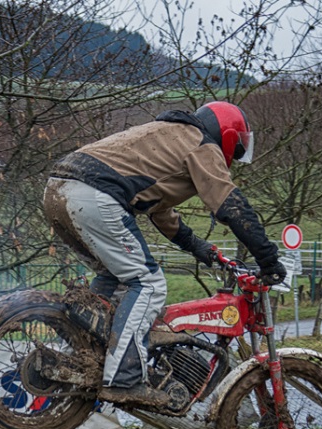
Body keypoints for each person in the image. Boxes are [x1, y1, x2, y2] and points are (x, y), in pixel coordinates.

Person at [42, 101, 286, 407]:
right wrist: (268, 259)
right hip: (94, 195)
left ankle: (84, 357)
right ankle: (123, 379)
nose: (234, 157)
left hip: (57, 189)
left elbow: (160, 211)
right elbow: (231, 206)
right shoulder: (201, 143)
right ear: (226, 135)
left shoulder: (167, 134)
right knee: (148, 283)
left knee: (111, 276)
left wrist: (198, 247)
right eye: (236, 149)